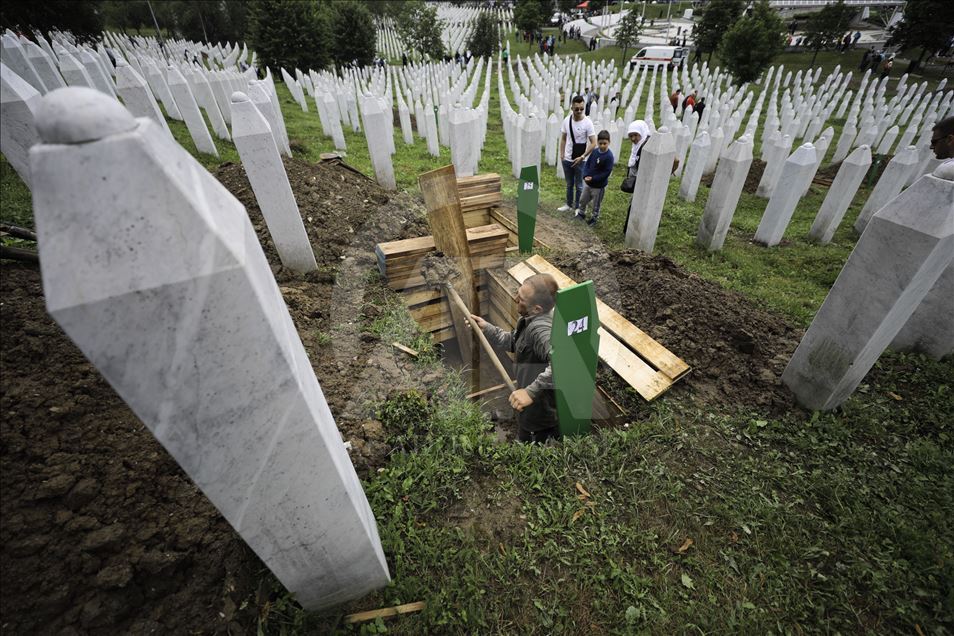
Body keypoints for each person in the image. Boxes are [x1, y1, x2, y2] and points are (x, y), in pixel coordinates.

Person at [470, 274, 560, 444]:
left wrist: (529, 392)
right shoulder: (530, 317)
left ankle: (528, 444)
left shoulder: (540, 330)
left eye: (522, 299)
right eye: (518, 293)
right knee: (522, 414)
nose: (515, 298)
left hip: (539, 408)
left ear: (537, 309)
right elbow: (514, 342)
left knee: (529, 435)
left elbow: (561, 364)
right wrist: (487, 328)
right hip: (528, 390)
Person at [558, 95, 597, 213]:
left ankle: (578, 207)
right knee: (569, 183)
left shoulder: (587, 123)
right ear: (572, 108)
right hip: (567, 158)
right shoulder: (566, 120)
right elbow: (564, 138)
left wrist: (583, 156)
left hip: (581, 159)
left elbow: (594, 142)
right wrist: (562, 153)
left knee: (579, 185)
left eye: (582, 108)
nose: (579, 111)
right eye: (577, 109)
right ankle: (568, 204)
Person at [575, 129, 615, 225]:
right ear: (597, 142)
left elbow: (606, 172)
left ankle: (594, 218)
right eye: (600, 143)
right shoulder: (595, 152)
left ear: (609, 142)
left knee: (595, 204)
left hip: (598, 186)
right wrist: (585, 175)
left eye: (604, 143)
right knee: (583, 199)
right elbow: (588, 164)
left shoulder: (609, 156)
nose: (602, 146)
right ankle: (581, 213)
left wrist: (594, 178)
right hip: (588, 183)